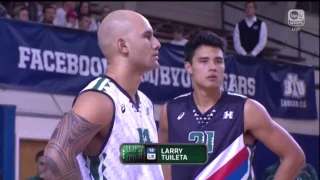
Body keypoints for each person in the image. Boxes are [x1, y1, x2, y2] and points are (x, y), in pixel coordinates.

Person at [158, 31, 306, 180]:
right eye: (204, 61)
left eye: (218, 61)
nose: (213, 67)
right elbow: (162, 158)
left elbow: (294, 156)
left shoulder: (246, 109)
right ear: (189, 67)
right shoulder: (170, 110)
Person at [43, 10, 163, 180]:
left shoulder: (145, 102)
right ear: (123, 45)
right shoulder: (99, 99)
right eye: (148, 36)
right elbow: (56, 156)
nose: (157, 44)